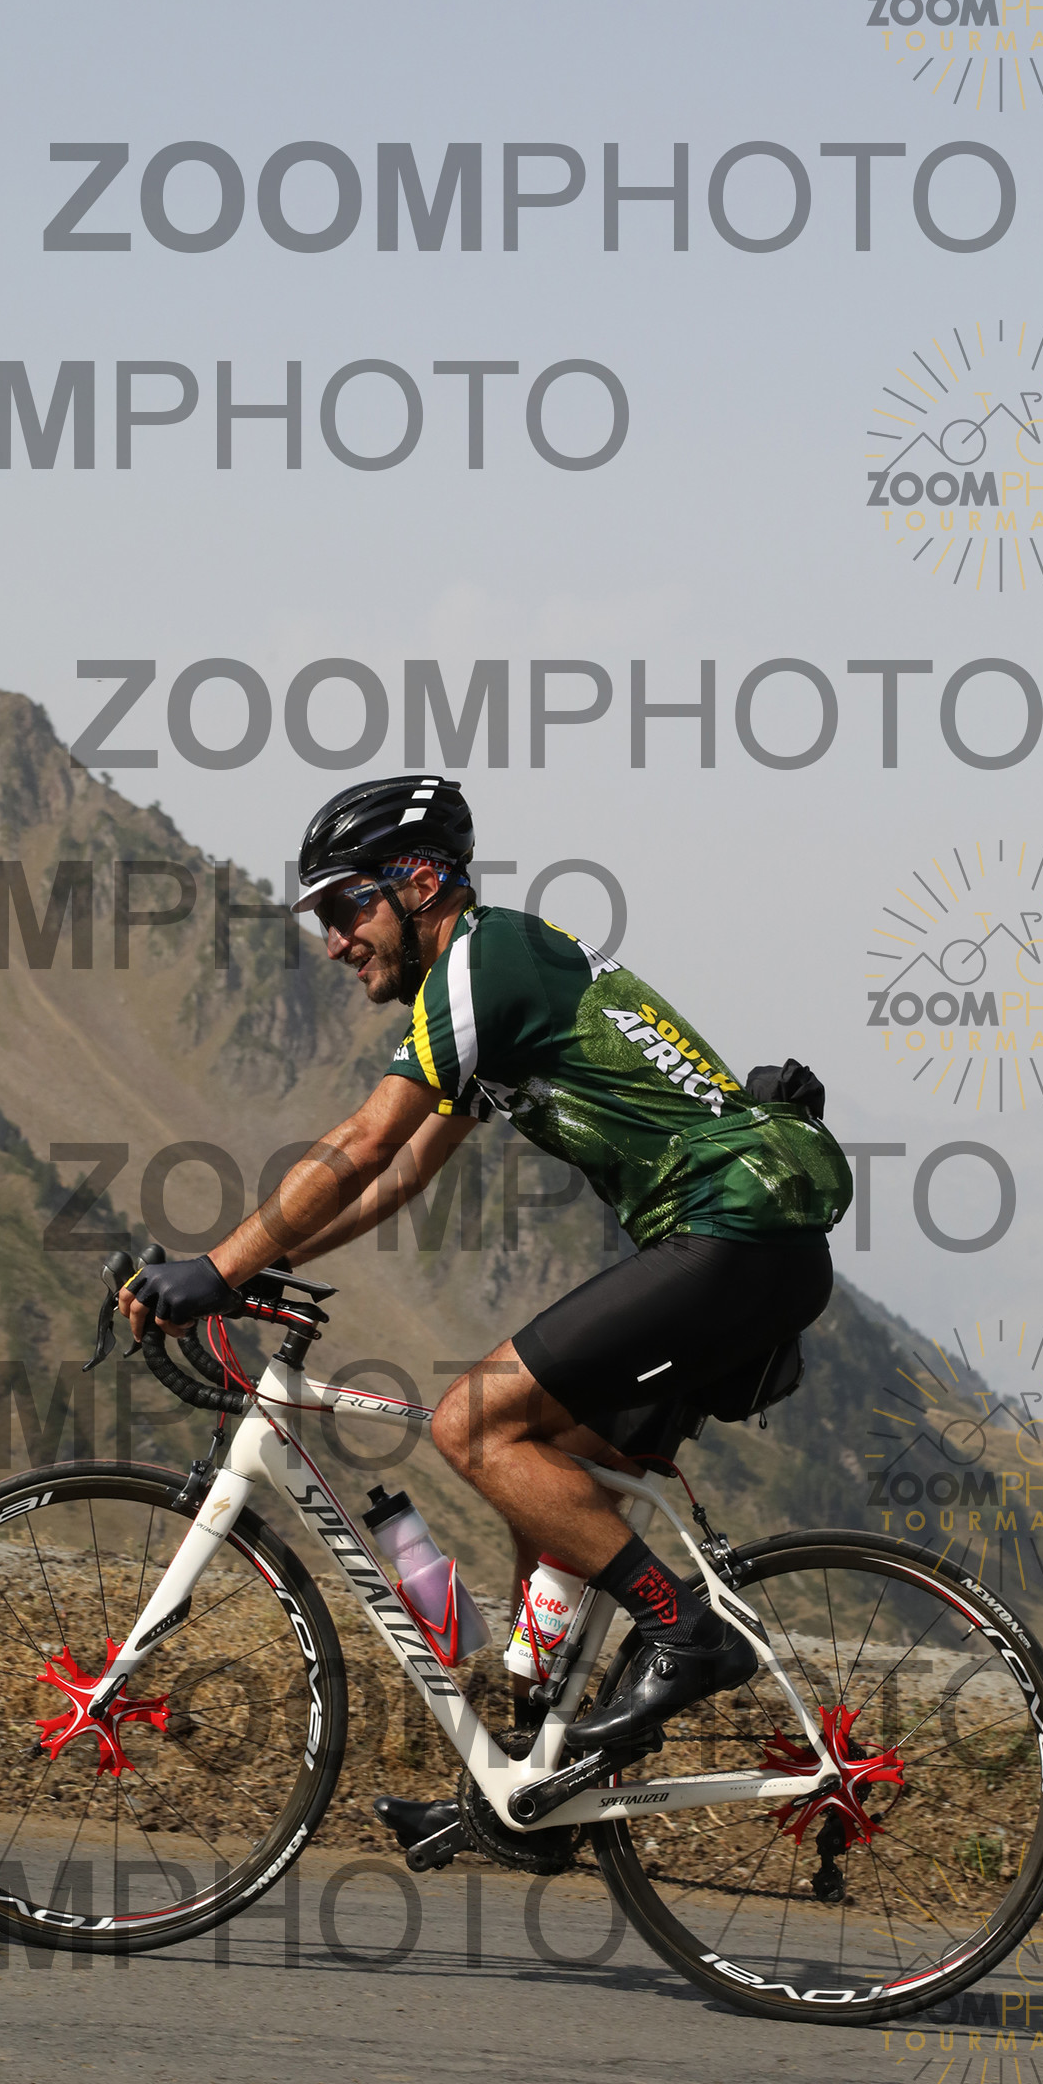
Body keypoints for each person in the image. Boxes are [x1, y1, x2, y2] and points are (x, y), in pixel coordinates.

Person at [120, 776, 853, 1837]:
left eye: (346, 907)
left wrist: (223, 1266)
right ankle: (533, 1794)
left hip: (734, 1234)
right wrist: (252, 1268)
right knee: (541, 1476)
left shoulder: (484, 962)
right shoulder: (484, 979)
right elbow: (400, 1177)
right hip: (742, 1247)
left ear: (419, 883)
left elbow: (364, 1140)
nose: (334, 941)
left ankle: (686, 1636)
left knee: (472, 1423)